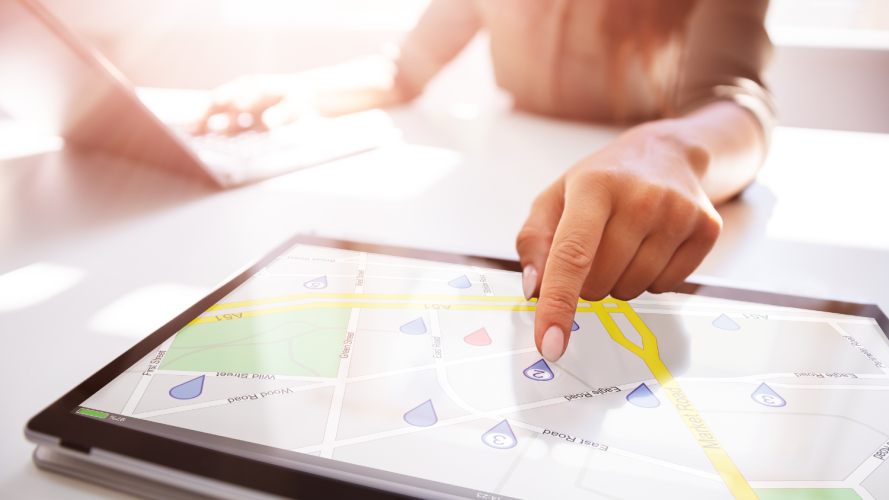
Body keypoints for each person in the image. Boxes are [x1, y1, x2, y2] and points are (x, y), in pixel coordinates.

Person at [194, 0, 775, 364]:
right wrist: (305, 91)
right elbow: (405, 67)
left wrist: (669, 148)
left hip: (627, 204)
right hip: (496, 203)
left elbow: (737, 104)